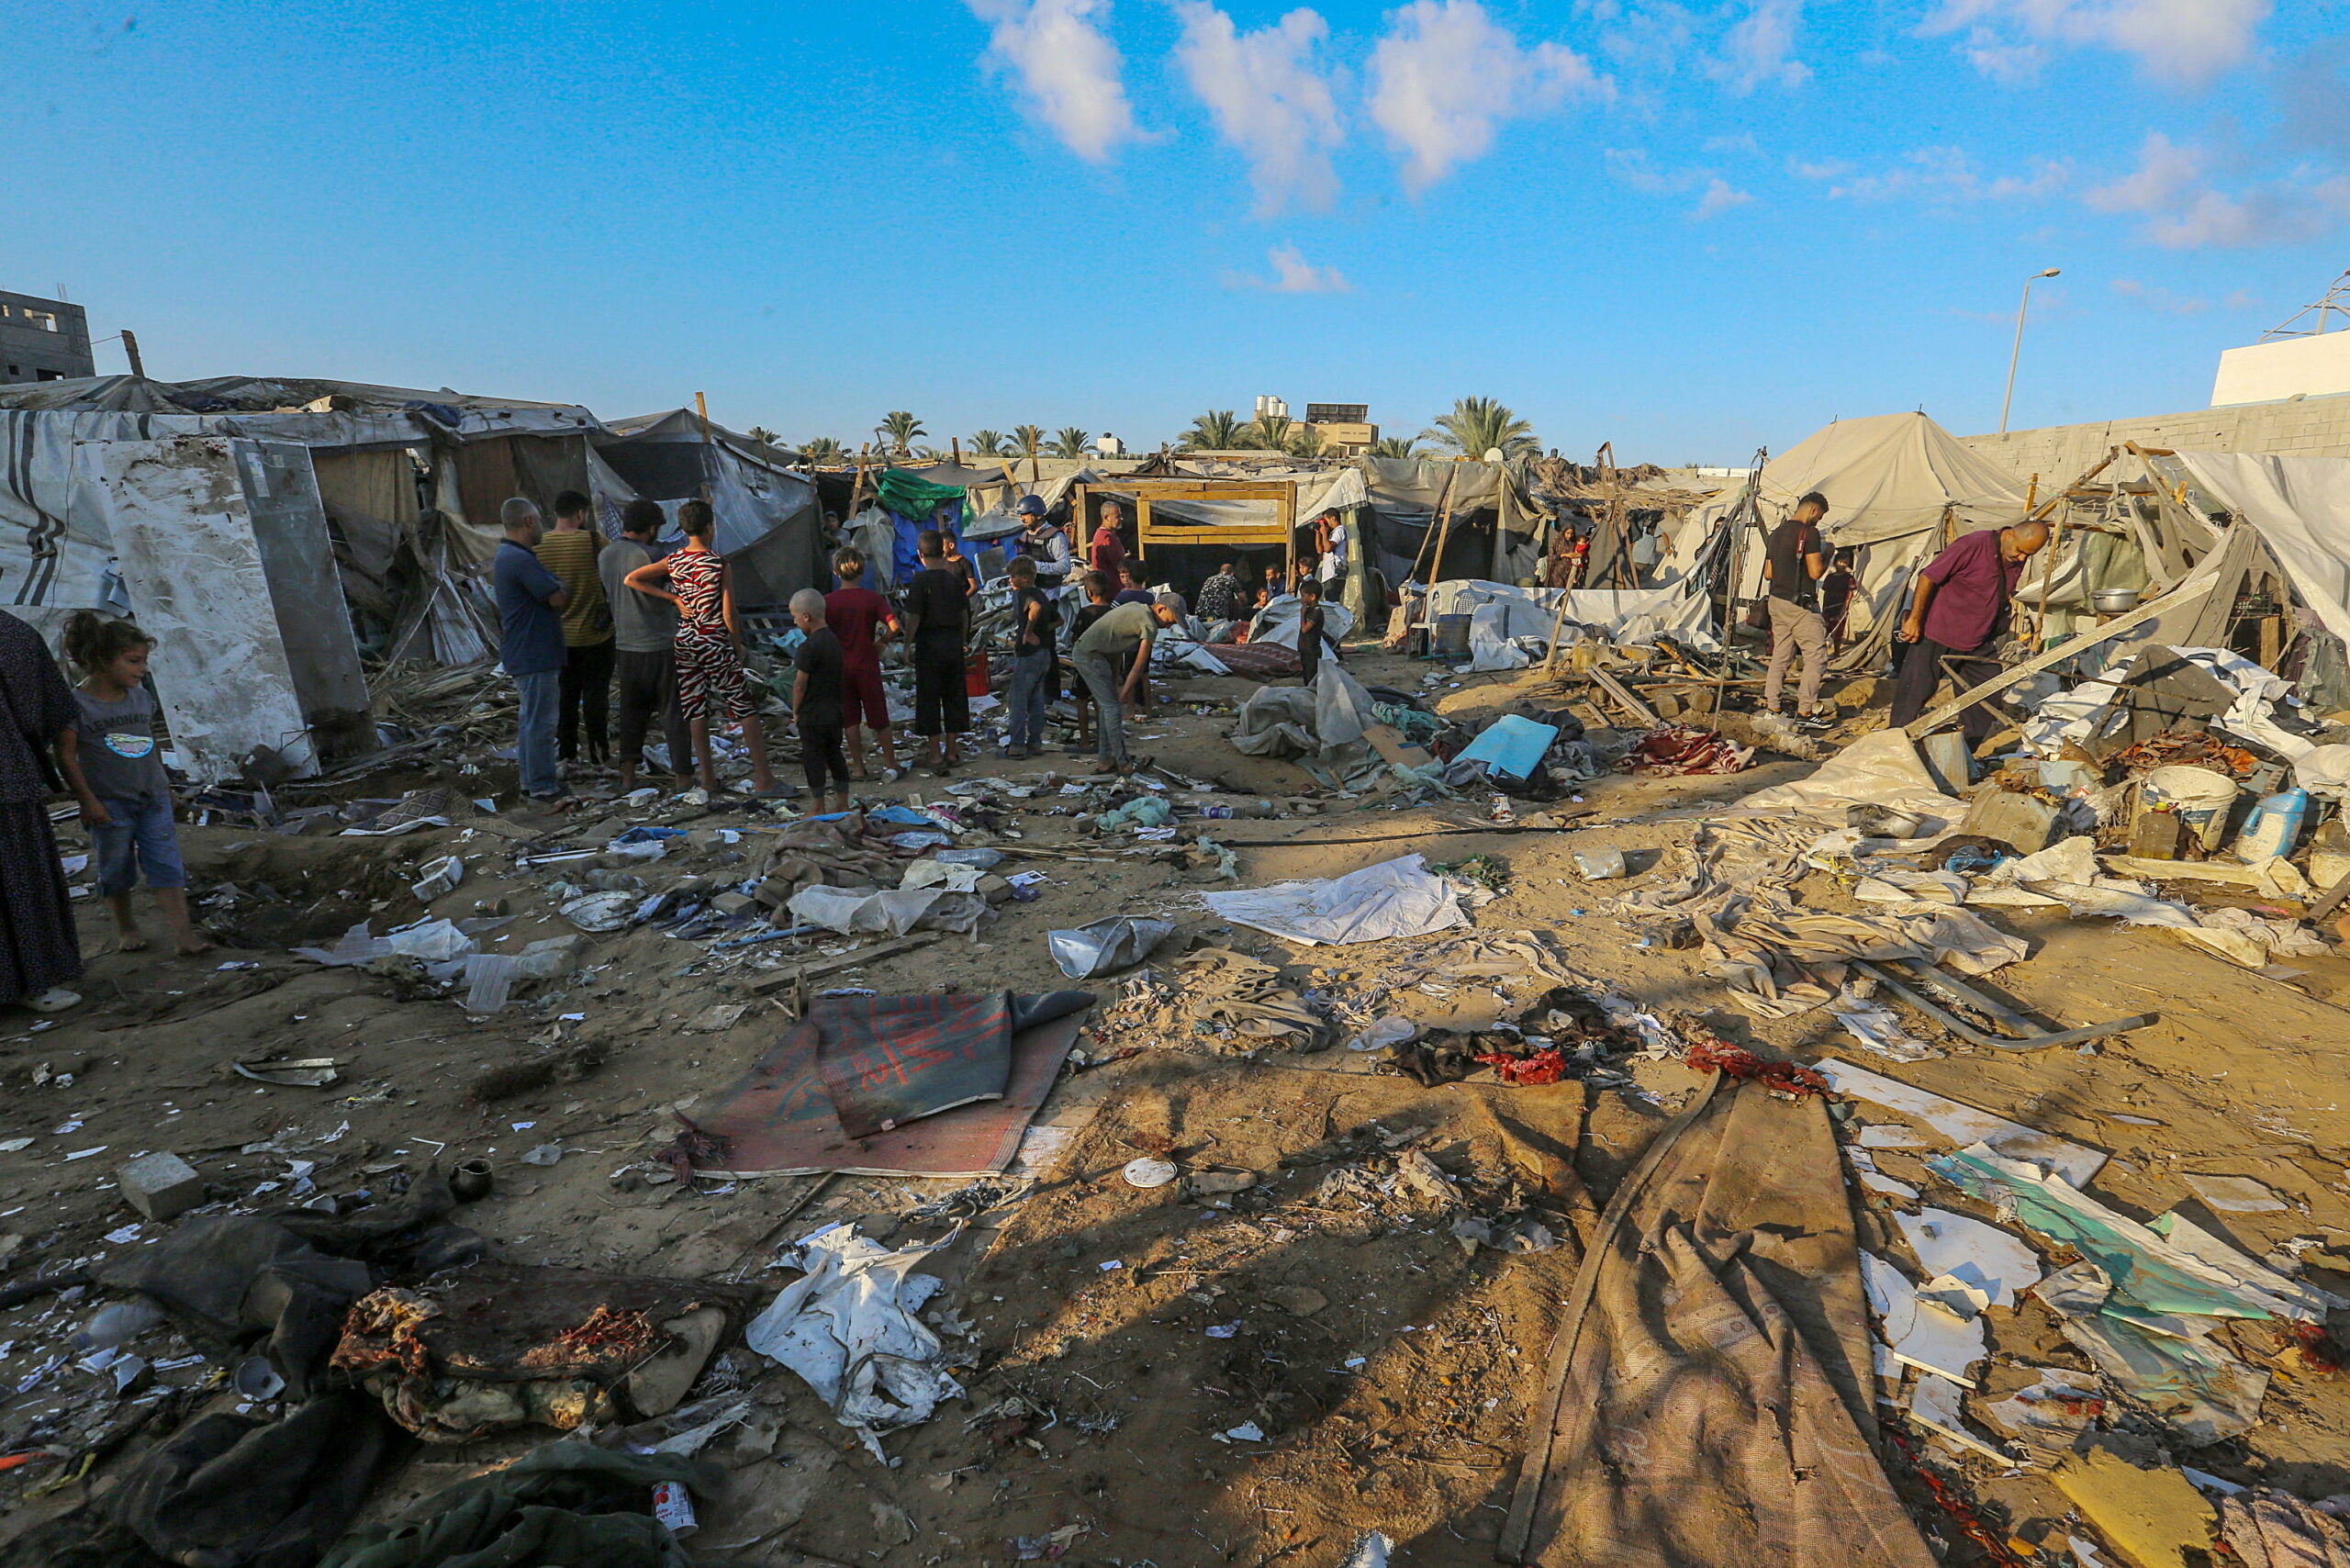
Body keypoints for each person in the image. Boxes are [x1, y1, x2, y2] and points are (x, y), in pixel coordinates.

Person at [58, 612, 208, 958]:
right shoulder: (77, 705)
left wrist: (165, 786)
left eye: (144, 661)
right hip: (109, 803)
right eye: (133, 661)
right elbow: (66, 757)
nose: (142, 669)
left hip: (151, 797)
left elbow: (149, 743)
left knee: (167, 865)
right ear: (102, 661)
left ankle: (184, 935)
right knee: (117, 868)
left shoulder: (140, 699)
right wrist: (87, 801)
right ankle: (126, 926)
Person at [623, 498, 778, 801]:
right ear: (710, 527)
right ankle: (765, 780)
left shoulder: (674, 561)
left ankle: (707, 779)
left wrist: (673, 599)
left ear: (683, 528)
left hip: (685, 641)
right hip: (714, 640)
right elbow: (729, 613)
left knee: (696, 709)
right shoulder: (719, 564)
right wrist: (738, 647)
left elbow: (633, 579)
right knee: (744, 707)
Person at [1890, 520, 2053, 748]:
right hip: (1938, 634)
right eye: (2020, 552)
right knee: (1913, 696)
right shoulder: (1973, 545)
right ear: (2008, 535)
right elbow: (1928, 576)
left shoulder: (2014, 557)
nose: (2023, 559)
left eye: (2029, 555)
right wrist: (1915, 619)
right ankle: (1893, 748)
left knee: (1985, 697)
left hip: (1978, 640)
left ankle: (1963, 753)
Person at [0, 611, 84, 1013]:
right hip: (10, 780)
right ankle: (36, 982)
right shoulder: (13, 634)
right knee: (20, 884)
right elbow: (51, 712)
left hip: (11, 779)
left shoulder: (13, 634)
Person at [599, 498, 695, 796]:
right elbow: (680, 590)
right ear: (652, 528)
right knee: (673, 713)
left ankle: (628, 778)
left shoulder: (606, 554)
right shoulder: (652, 555)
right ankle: (682, 779)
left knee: (631, 713)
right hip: (660, 645)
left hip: (626, 647)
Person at [493, 497, 569, 801]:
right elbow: (557, 597)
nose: (541, 526)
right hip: (534, 651)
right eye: (538, 520)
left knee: (531, 720)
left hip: (526, 649)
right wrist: (562, 585)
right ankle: (541, 785)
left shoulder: (509, 556)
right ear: (528, 522)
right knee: (541, 722)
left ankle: (532, 780)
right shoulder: (520, 559)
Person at [539, 489, 614, 770]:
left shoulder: (540, 545)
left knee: (565, 697)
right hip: (597, 635)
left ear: (556, 513)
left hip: (558, 638)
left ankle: (567, 754)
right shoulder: (595, 540)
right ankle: (599, 754)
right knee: (596, 696)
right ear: (581, 514)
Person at [1072, 592, 1183, 775]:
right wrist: (1123, 693)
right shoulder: (1148, 624)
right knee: (1112, 709)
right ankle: (1122, 762)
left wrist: (1117, 681)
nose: (1168, 627)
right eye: (1169, 622)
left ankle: (1105, 760)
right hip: (1089, 655)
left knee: (1108, 709)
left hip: (1094, 653)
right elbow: (1138, 666)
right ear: (1161, 609)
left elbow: (1115, 646)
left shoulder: (1137, 608)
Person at [825, 547, 901, 781]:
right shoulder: (872, 599)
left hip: (840, 667)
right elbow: (895, 626)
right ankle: (890, 764)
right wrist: (882, 643)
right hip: (867, 663)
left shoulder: (827, 602)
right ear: (862, 570)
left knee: (850, 719)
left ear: (836, 571)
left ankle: (858, 768)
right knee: (879, 717)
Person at [901, 528, 971, 776]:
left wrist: (907, 645)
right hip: (952, 643)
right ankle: (952, 752)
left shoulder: (919, 581)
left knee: (929, 698)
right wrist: (962, 640)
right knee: (954, 696)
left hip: (929, 645)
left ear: (921, 554)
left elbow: (914, 617)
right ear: (943, 551)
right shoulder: (953, 579)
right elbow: (964, 615)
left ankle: (934, 755)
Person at [1762, 490, 1832, 729]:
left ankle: (1773, 707)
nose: (1818, 521)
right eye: (1819, 516)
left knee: (1781, 655)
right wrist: (1828, 555)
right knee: (1816, 657)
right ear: (1813, 510)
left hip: (1776, 601)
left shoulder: (1776, 533)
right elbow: (1815, 572)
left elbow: (1768, 573)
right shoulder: (1809, 533)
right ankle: (1805, 711)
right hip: (1800, 605)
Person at [789, 589, 852, 815]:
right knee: (835, 754)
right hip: (834, 710)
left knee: (813, 758)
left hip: (812, 713)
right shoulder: (833, 641)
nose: (795, 622)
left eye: (795, 617)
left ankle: (818, 806)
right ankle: (843, 802)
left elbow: (799, 684)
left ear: (806, 616)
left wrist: (796, 710)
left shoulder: (807, 647)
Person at [1003, 554, 1058, 759]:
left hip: (1028, 653)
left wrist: (1028, 632)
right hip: (1044, 653)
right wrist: (1042, 631)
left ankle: (1017, 744)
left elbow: (1033, 609)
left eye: (1013, 576)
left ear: (1025, 577)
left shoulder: (1023, 593)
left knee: (1018, 699)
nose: (1010, 580)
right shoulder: (1042, 594)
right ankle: (1035, 742)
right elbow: (1058, 620)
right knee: (1036, 700)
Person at [1065, 570, 1113, 756]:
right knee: (1102, 703)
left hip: (1086, 662)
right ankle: (1103, 742)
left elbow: (1075, 637)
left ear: (1089, 592)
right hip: (1106, 662)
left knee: (1082, 701)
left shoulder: (1085, 613)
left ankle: (1085, 742)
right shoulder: (1112, 613)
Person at [1015, 496, 1069, 594]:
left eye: (1025, 515)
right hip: (1031, 592)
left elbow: (1065, 566)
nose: (1022, 519)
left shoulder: (1055, 536)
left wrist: (1035, 566)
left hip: (1051, 592)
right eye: (1021, 515)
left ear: (1039, 515)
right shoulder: (1024, 536)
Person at [1821, 547, 1859, 652]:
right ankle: (1822, 652)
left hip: (1840, 606)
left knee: (1837, 631)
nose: (1842, 565)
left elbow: (1850, 592)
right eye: (1840, 562)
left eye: (1845, 563)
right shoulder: (1830, 577)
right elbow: (1825, 591)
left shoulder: (1848, 577)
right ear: (1835, 562)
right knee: (1824, 630)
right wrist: (1824, 607)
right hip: (1828, 606)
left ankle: (1836, 652)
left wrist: (1845, 608)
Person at [1295, 576, 1328, 688]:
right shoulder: (1311, 610)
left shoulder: (1316, 612)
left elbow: (1305, 629)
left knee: (1311, 676)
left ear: (1313, 597)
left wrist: (1302, 614)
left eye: (1303, 596)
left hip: (1312, 650)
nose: (1301, 599)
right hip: (1306, 649)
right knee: (1306, 675)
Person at [1196, 560, 1247, 624]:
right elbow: (1243, 600)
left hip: (1201, 619)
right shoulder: (1231, 579)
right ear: (1232, 573)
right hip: (1218, 619)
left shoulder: (1209, 579)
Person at [1089, 502, 1128, 578]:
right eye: (1118, 516)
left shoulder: (1102, 534)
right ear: (1106, 517)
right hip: (1112, 586)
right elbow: (1120, 565)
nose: (1121, 519)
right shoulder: (1106, 538)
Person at [943, 532, 981, 598]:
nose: (941, 549)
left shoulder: (965, 563)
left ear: (951, 545)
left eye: (942, 546)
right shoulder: (942, 563)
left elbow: (974, 587)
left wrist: (962, 600)